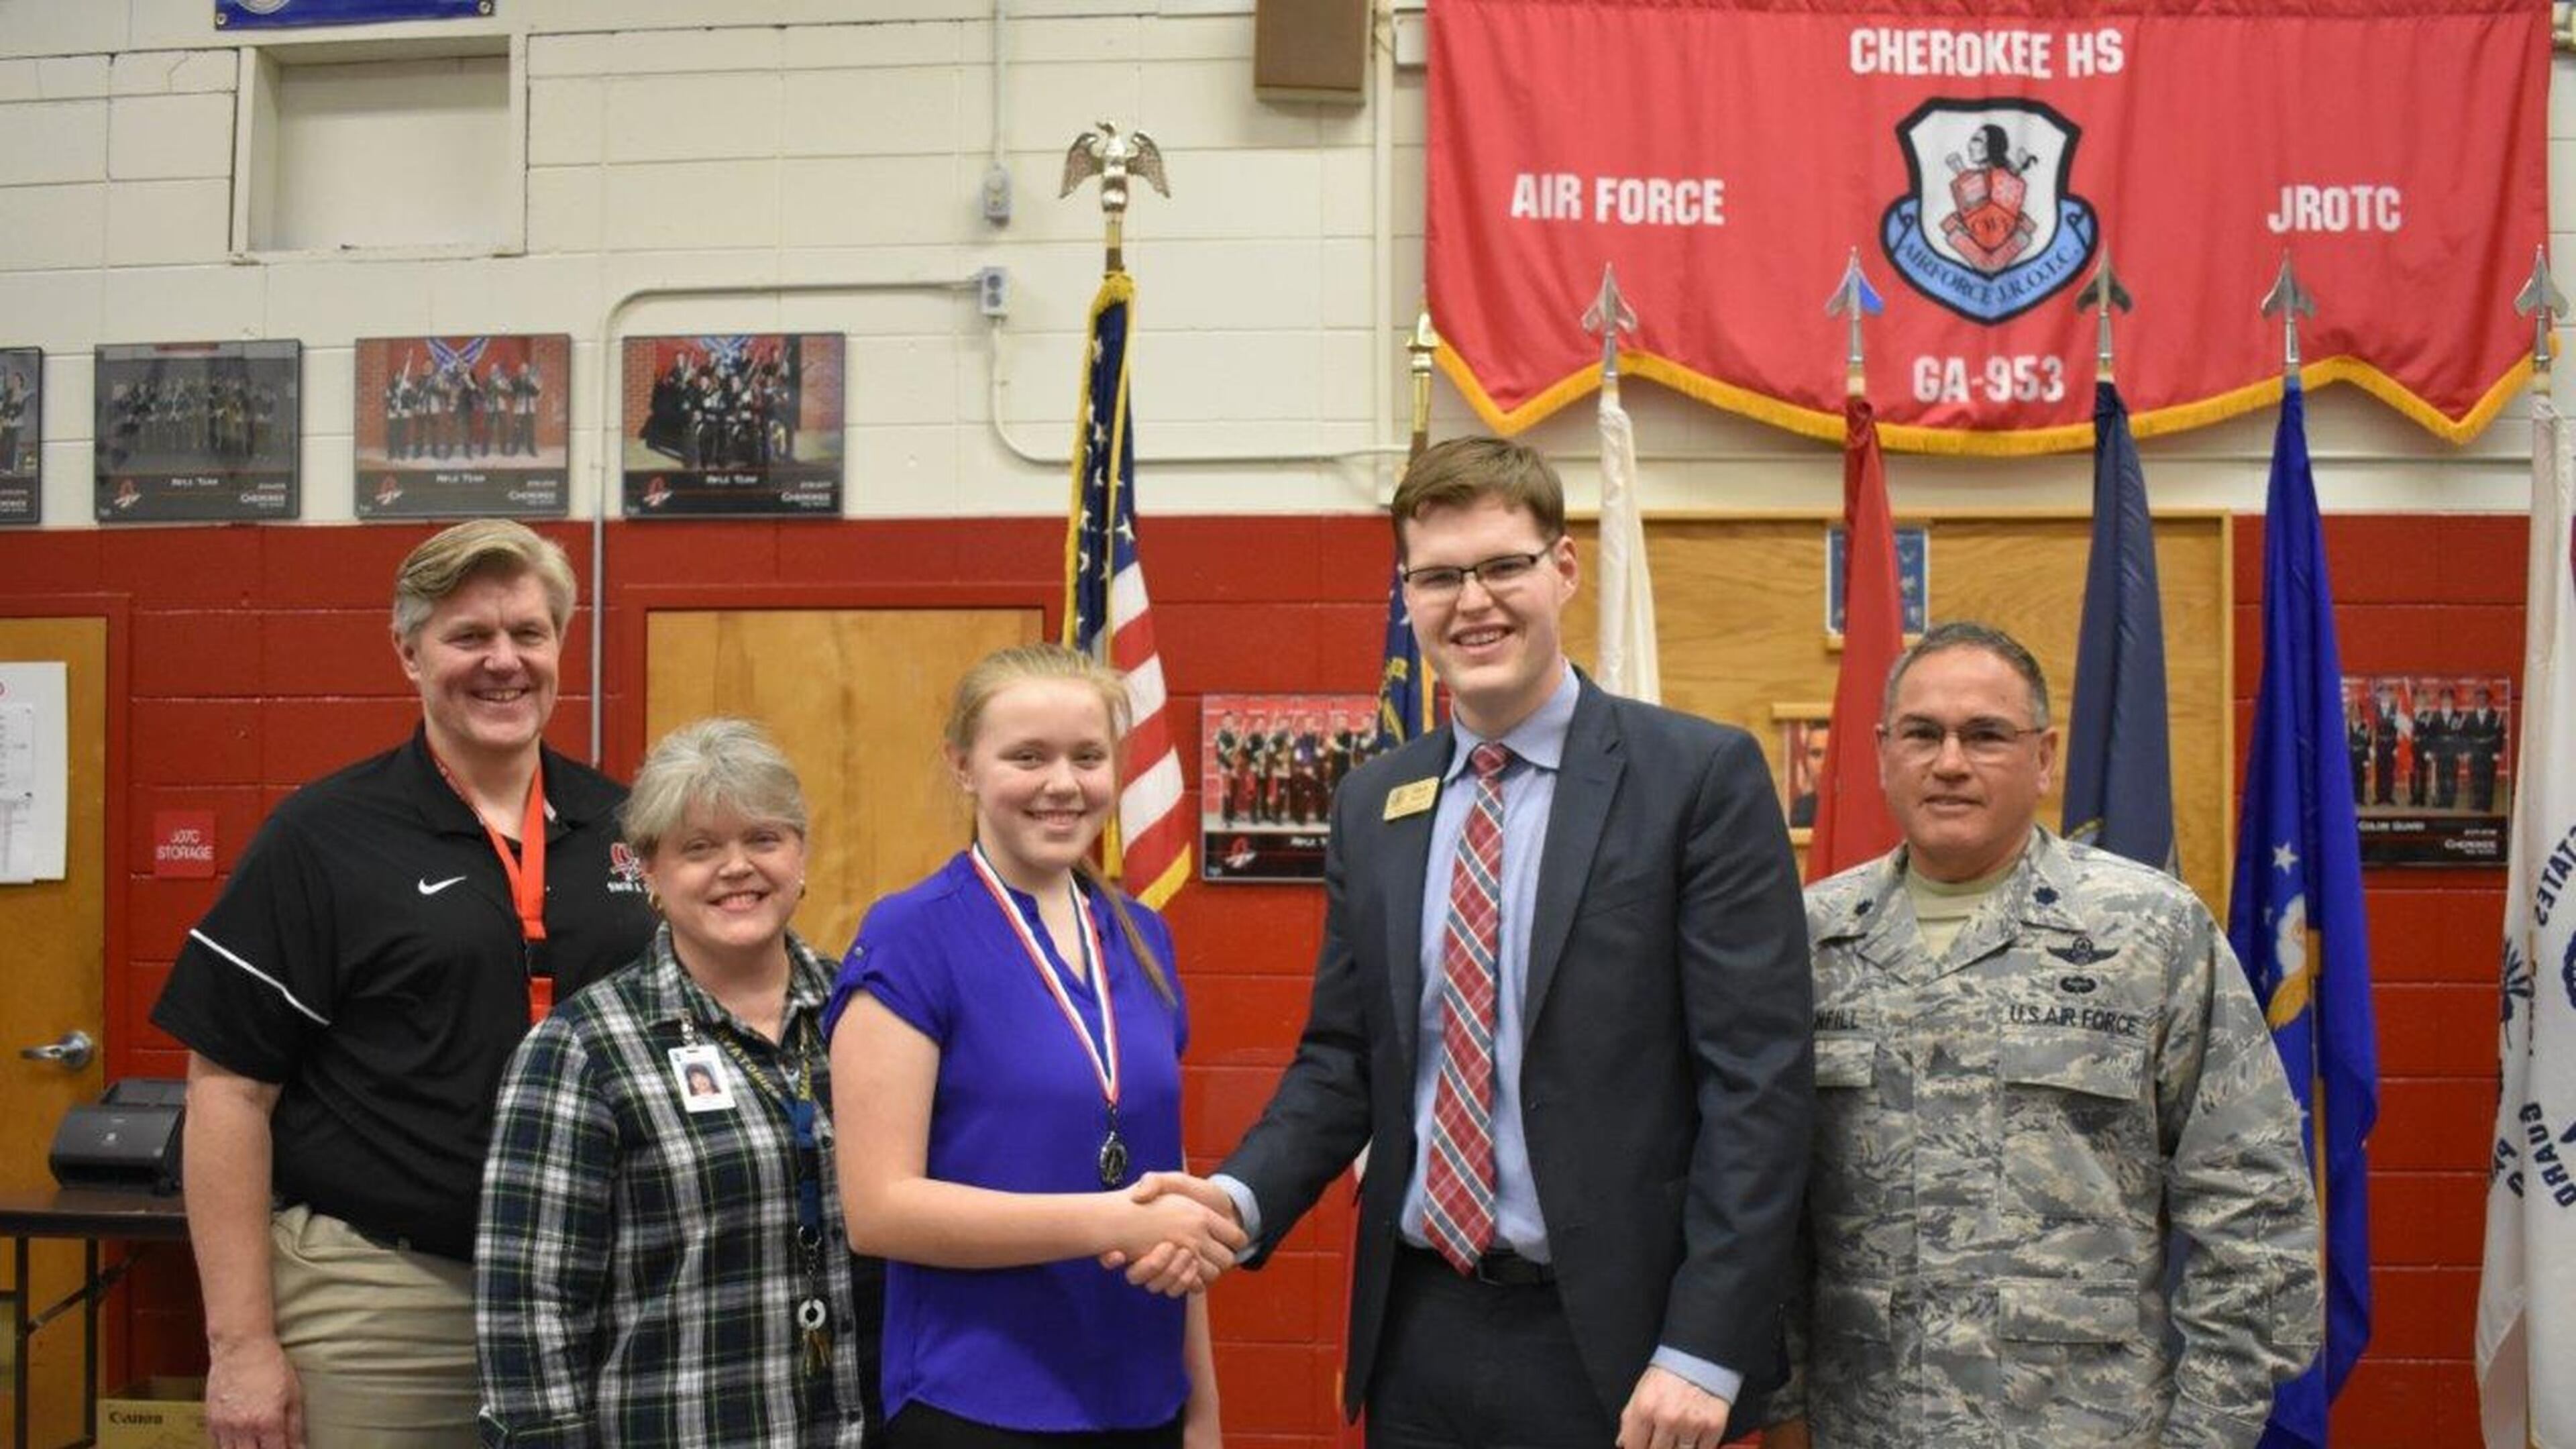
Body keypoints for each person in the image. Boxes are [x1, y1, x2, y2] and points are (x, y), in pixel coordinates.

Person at [1146, 436, 1813, 1448]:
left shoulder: (1696, 779)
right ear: (1408, 596)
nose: (1475, 602)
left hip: (1625, 1348)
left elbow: (1759, 1085)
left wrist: (1702, 1346)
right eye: (1440, 576)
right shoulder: (1376, 803)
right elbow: (1343, 1060)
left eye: (1504, 566)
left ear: (1564, 569)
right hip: (1421, 1332)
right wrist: (1239, 1198)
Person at [151, 519, 659, 1449]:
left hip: (601, 1291)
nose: (503, 662)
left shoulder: (626, 825)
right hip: (390, 1301)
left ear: (560, 646)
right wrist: (241, 1346)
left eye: (528, 634)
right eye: (469, 637)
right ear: (409, 652)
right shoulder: (325, 835)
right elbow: (227, 1091)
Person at [1769, 622, 2321, 1448]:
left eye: (1987, 735)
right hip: (1865, 1427)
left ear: (2045, 756)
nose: (1950, 762)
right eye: (1922, 734)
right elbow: (1767, 1207)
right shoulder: (1806, 942)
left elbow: (2252, 1204)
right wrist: (1785, 1409)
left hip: (2091, 1427)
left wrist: (2211, 1430)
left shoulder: (2150, 932)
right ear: (1883, 752)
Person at [828, 643, 1235, 1448]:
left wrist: (1203, 1406)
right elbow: (880, 1212)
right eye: (1028, 756)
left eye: (1088, 757)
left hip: (1144, 1396)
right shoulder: (911, 936)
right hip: (978, 1401)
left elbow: (1164, 1189)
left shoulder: (1141, 935)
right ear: (963, 765)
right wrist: (1109, 1222)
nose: (1063, 784)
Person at [476, 718, 883, 1446]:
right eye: (700, 848)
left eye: (763, 839)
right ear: (651, 872)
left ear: (800, 857)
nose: (738, 868)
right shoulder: (581, 1049)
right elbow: (529, 1309)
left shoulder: (865, 1014)